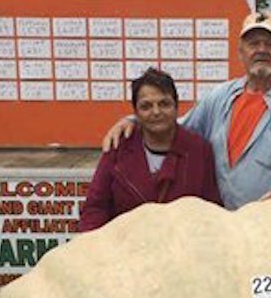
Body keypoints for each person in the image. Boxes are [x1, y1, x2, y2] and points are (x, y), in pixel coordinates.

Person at [103, 11, 271, 210]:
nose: (261, 50)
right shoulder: (221, 95)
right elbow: (178, 129)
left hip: (267, 229)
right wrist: (137, 121)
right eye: (253, 43)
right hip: (218, 228)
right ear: (240, 52)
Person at [79, 68, 220, 231]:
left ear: (176, 106)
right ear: (136, 112)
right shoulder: (118, 147)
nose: (156, 112)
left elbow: (211, 211)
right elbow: (96, 207)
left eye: (164, 104)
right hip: (126, 250)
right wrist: (93, 248)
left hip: (182, 251)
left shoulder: (200, 151)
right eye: (146, 106)